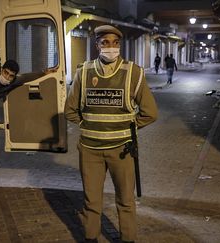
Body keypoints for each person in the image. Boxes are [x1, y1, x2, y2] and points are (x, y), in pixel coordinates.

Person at [64, 25, 158, 243]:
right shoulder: (84, 72)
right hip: (91, 150)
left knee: (122, 200)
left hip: (121, 149)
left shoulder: (133, 73)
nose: (111, 47)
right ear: (97, 45)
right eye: (105, 42)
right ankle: (92, 238)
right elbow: (70, 111)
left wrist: (128, 126)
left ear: (120, 45)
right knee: (95, 201)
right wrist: (89, 125)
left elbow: (150, 113)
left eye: (115, 43)